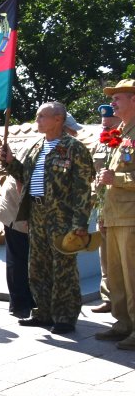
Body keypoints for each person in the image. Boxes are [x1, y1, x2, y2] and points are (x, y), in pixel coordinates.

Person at [0, 102, 94, 334]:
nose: (38, 120)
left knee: (63, 268)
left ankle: (65, 316)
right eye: (37, 116)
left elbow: (83, 188)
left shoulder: (74, 148)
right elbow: (25, 176)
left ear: (58, 119)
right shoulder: (36, 147)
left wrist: (80, 222)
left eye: (42, 116)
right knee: (38, 266)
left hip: (62, 216)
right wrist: (10, 162)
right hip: (37, 214)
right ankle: (44, 313)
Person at [94, 81, 135, 349]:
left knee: (132, 277)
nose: (114, 103)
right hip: (113, 214)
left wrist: (115, 177)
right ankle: (123, 323)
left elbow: (123, 175)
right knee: (117, 276)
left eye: (118, 98)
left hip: (130, 216)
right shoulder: (120, 131)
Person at [92, 103, 123, 314]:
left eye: (109, 125)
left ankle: (124, 301)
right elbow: (94, 173)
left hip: (122, 207)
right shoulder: (101, 143)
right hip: (103, 205)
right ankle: (109, 297)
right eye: (103, 126)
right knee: (105, 256)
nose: (105, 129)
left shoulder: (125, 141)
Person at [0, 168, 33, 319]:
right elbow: (20, 179)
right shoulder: (34, 147)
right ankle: (20, 305)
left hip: (31, 206)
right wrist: (28, 213)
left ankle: (32, 301)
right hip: (17, 208)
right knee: (18, 259)